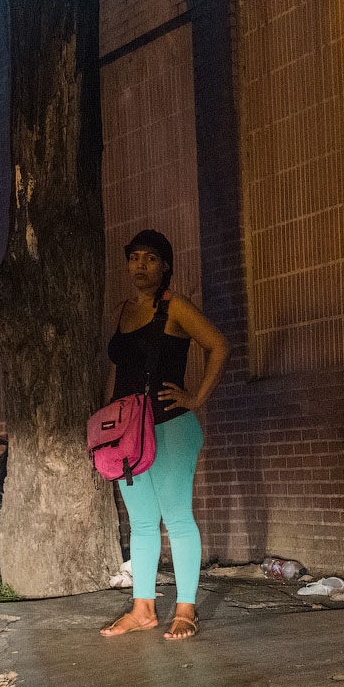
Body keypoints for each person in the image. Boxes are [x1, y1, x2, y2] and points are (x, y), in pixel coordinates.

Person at [99, 229, 230, 641]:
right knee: (140, 523)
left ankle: (186, 609)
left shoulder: (174, 308)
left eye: (151, 258)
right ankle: (143, 609)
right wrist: (108, 420)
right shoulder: (122, 311)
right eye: (134, 257)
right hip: (127, 436)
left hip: (169, 427)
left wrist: (196, 398)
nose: (141, 265)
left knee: (176, 518)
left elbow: (219, 345)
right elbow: (118, 372)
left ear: (166, 266)